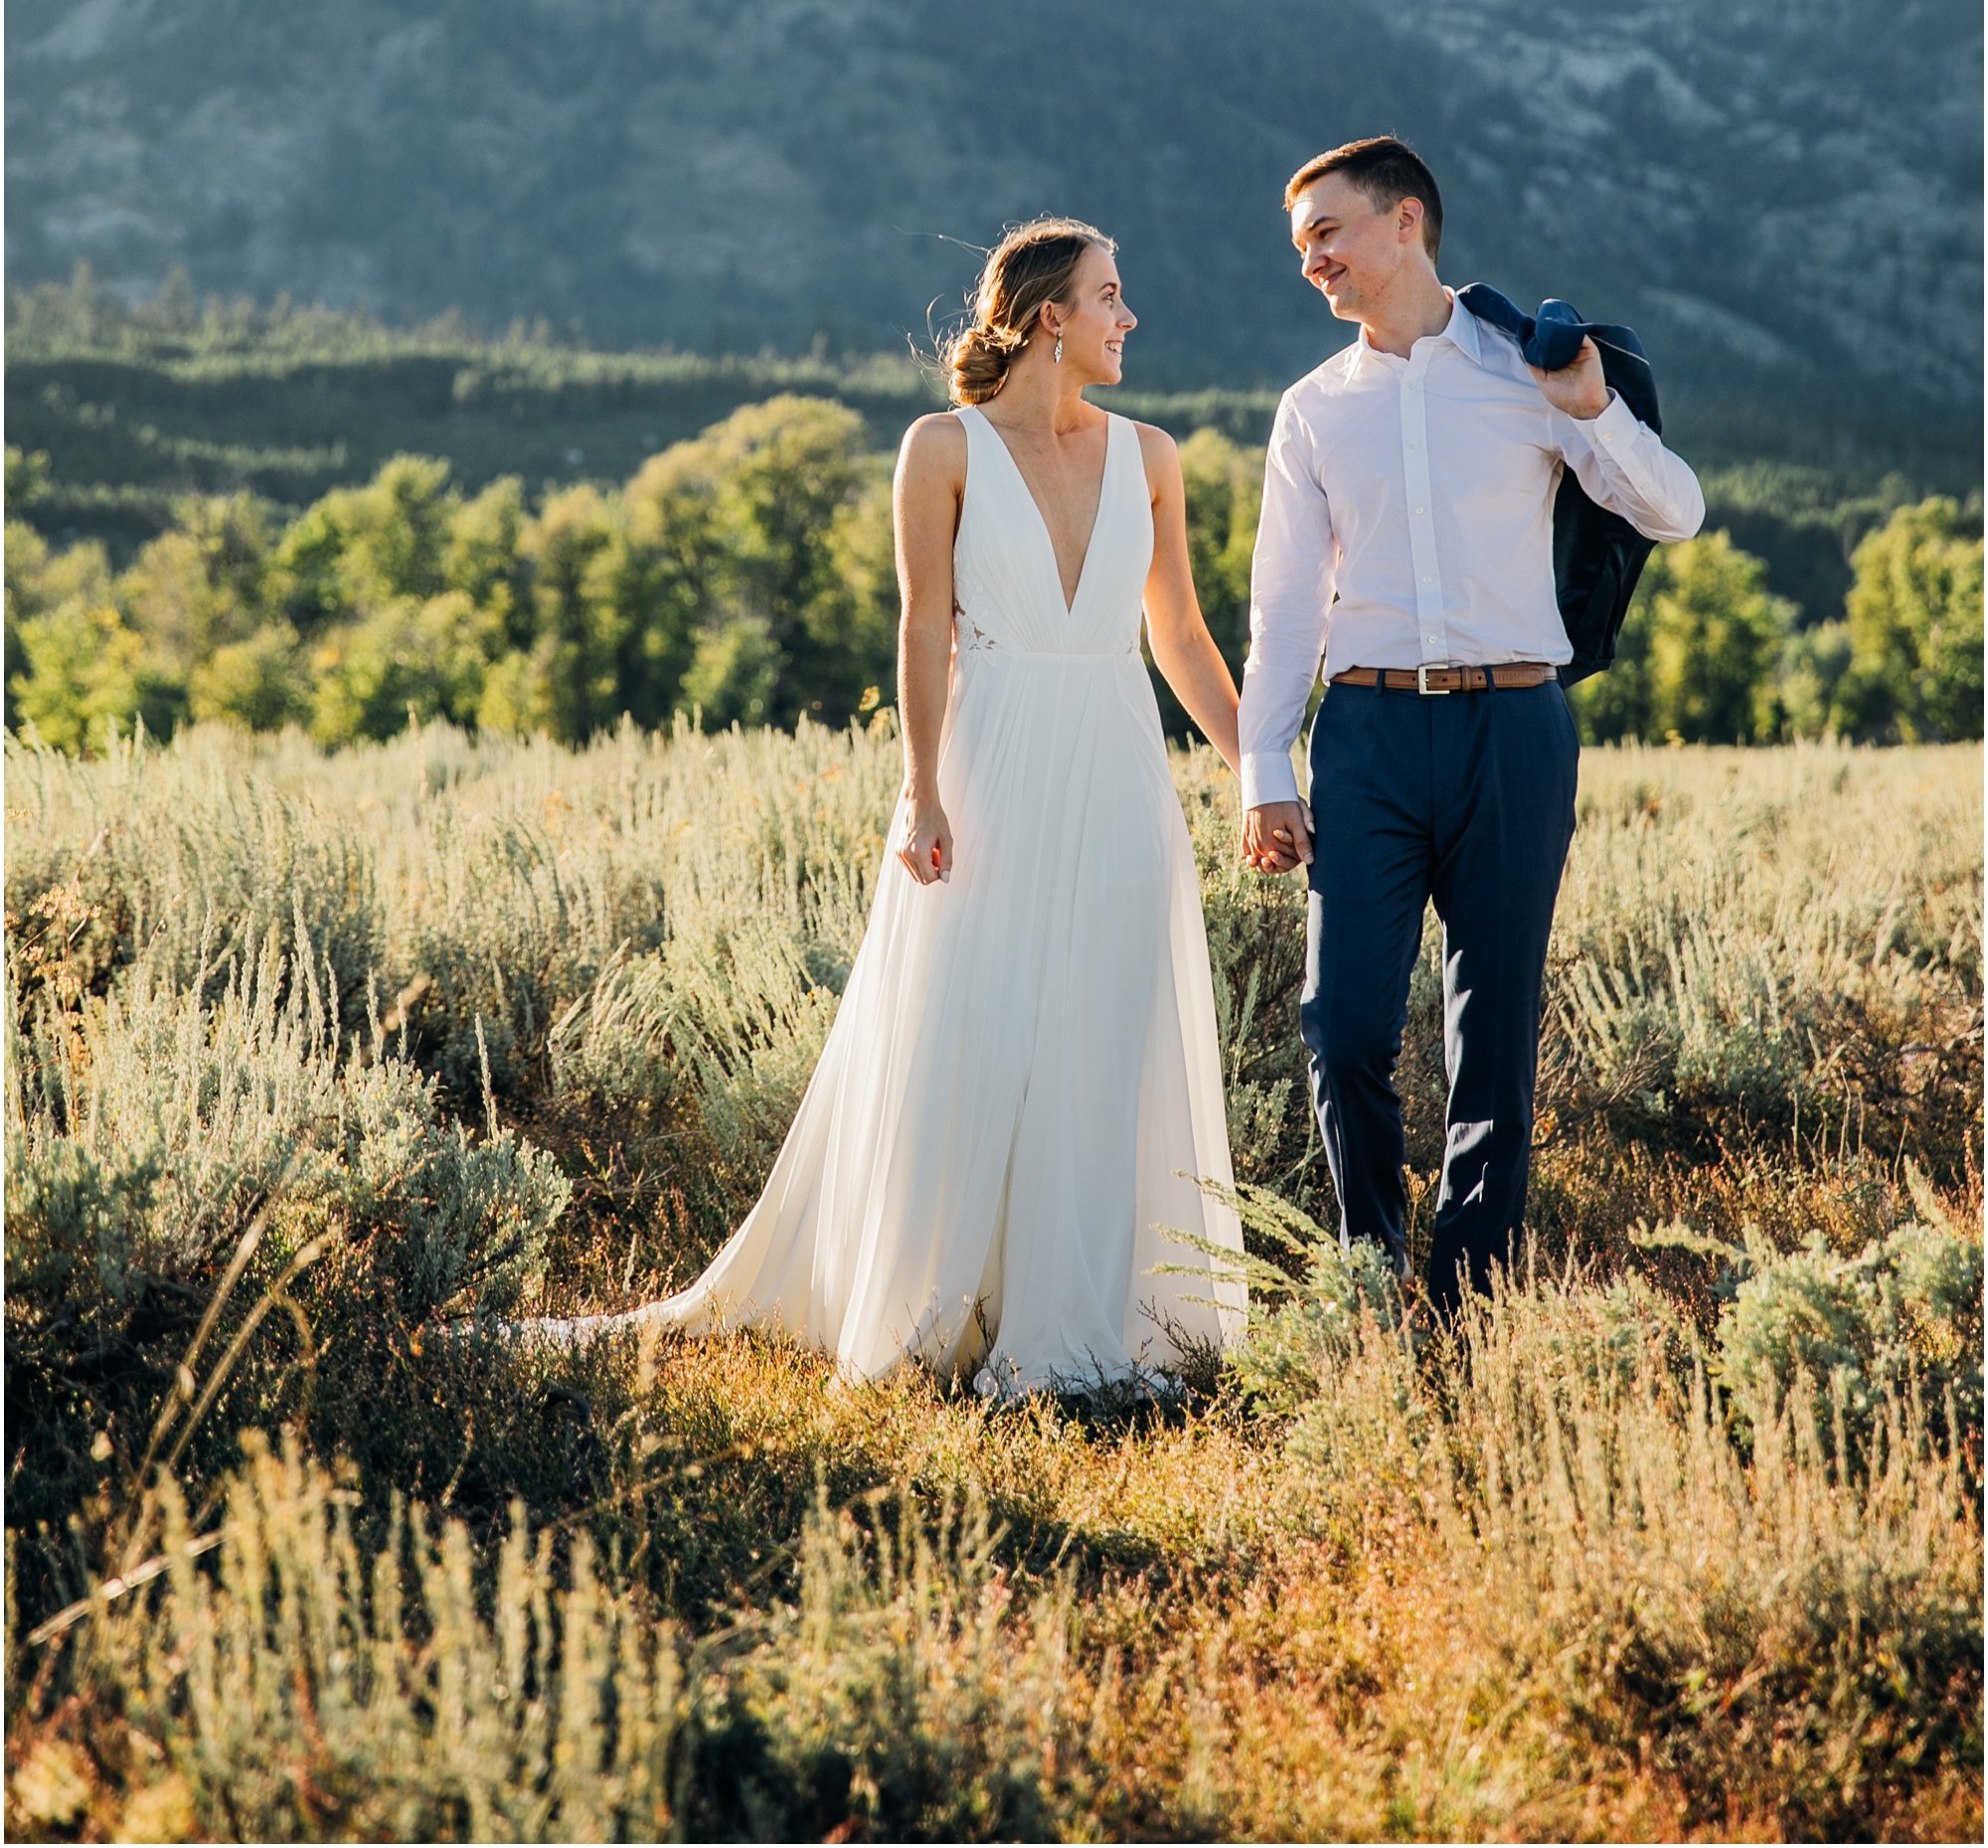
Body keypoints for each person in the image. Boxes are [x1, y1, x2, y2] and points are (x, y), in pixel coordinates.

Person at [519, 219, 1246, 1397]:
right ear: (1051, 314)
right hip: (991, 764)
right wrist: (921, 788)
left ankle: (1081, 1314)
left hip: (1118, 772)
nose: (1128, 318)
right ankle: (933, 1307)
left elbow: (1179, 633)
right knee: (974, 1025)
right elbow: (921, 626)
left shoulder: (1151, 455)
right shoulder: (939, 447)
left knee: (1101, 1037)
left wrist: (1257, 769)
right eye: (1111, 296)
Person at [1238, 138, 1704, 1315]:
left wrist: (1586, 405)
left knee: (1491, 1031)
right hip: (1367, 737)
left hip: (1514, 728)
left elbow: (1673, 511)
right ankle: (1368, 1269)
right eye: (1301, 247)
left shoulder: (1528, 368)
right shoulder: (1310, 410)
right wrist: (1261, 762)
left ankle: (1467, 1295)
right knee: (1340, 1024)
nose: (1313, 260)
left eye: (1327, 233)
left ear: (1406, 222)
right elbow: (1285, 603)